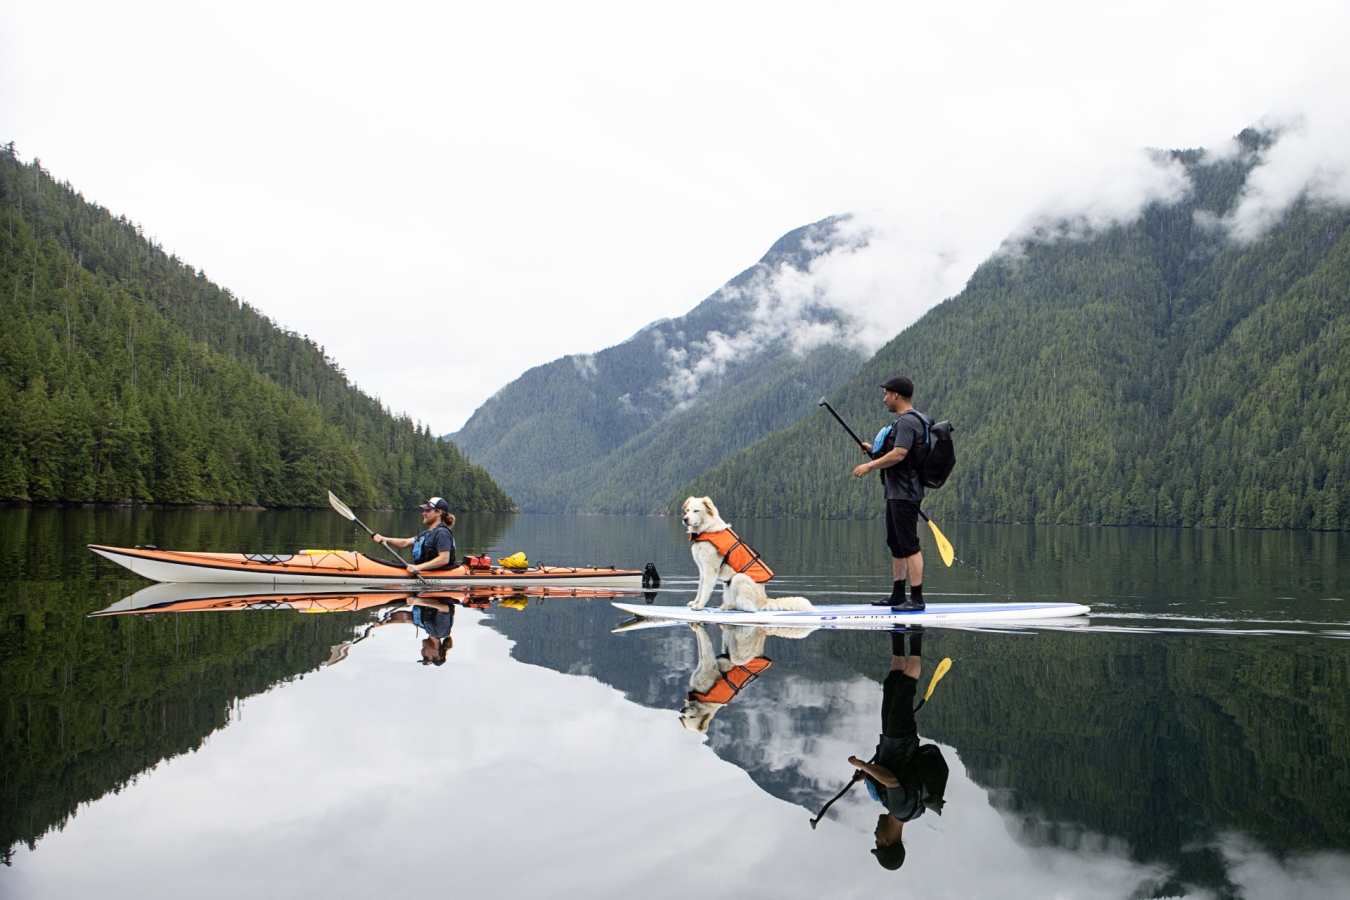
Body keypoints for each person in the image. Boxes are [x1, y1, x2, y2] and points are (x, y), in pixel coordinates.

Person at [847, 628, 948, 870]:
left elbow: (891, 779)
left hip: (893, 739)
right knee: (905, 686)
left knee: (893, 683)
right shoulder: (900, 809)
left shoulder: (909, 811)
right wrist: (863, 765)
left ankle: (897, 631)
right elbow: (892, 780)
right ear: (889, 841)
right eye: (878, 841)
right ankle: (915, 632)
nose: (875, 835)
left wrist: (867, 775)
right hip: (899, 739)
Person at [850, 375, 930, 611]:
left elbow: (899, 454)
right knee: (896, 543)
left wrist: (869, 466)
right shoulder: (904, 422)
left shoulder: (907, 422)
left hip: (906, 492)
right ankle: (897, 594)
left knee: (909, 544)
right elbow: (894, 453)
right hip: (896, 492)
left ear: (896, 395)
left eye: (886, 394)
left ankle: (916, 599)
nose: (884, 398)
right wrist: (872, 450)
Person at [372, 497, 457, 575]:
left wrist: (418, 567)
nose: (423, 513)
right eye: (424, 510)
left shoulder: (442, 533)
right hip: (423, 570)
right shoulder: (426, 534)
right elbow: (405, 543)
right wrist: (384, 539)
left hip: (438, 574)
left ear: (439, 512)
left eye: (427, 510)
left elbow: (444, 559)